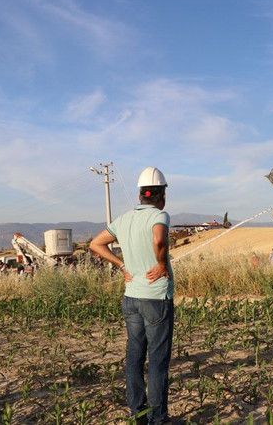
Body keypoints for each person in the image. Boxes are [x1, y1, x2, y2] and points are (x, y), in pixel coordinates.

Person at [89, 167, 177, 425]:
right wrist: (161, 263)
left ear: (140, 196)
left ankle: (138, 415)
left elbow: (96, 243)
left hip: (131, 299)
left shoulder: (124, 219)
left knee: (135, 358)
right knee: (158, 363)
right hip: (156, 299)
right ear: (162, 196)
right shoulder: (160, 215)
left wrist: (122, 266)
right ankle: (158, 420)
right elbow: (159, 239)